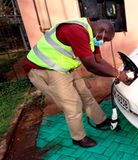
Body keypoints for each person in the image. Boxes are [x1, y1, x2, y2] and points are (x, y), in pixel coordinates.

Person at [24, 18, 130, 148]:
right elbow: (91, 66)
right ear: (102, 32)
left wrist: (117, 73)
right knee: (72, 104)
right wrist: (118, 75)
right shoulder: (76, 31)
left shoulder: (92, 35)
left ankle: (100, 121)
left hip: (64, 69)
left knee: (85, 95)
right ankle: (78, 138)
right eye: (105, 39)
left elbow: (98, 60)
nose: (103, 42)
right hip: (44, 70)